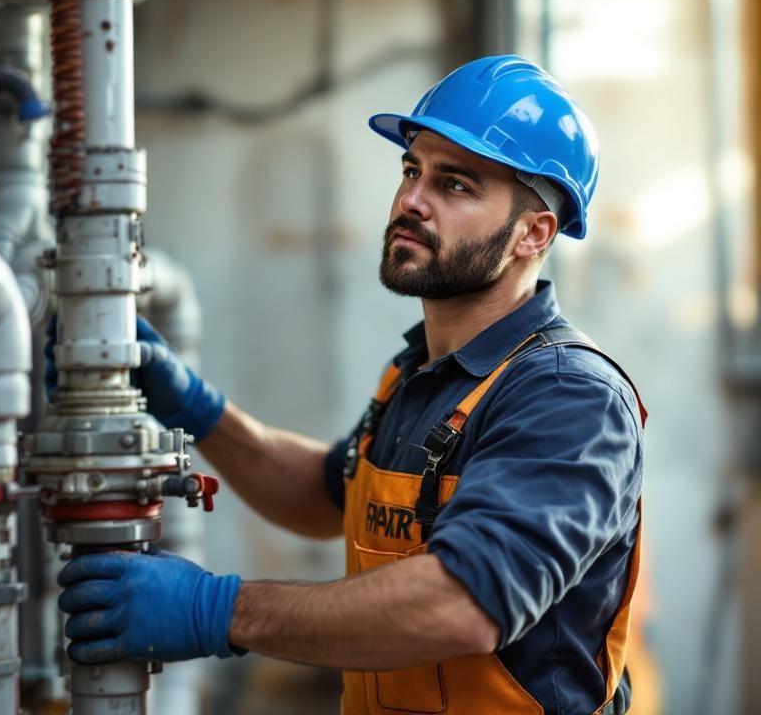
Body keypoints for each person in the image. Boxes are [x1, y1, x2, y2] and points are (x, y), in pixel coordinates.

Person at [55, 55, 647, 715]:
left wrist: (217, 610)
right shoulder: (419, 373)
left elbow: (463, 604)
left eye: (455, 186)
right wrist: (195, 408)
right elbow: (330, 495)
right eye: (412, 170)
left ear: (532, 234)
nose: (412, 201)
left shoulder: (569, 398)